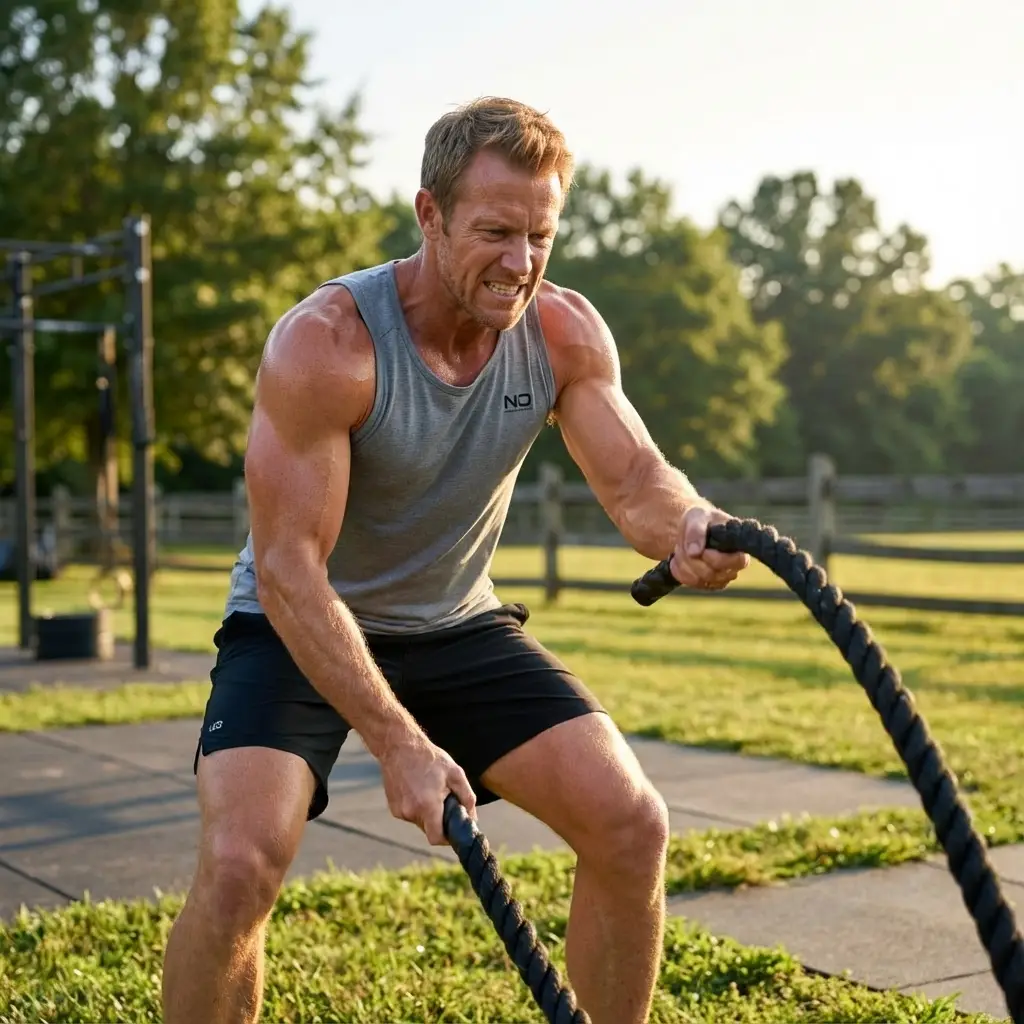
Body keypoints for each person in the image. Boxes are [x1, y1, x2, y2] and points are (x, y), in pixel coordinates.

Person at [161, 95, 750, 1024]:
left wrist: (688, 525)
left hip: (453, 621)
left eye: (540, 236)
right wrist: (399, 744)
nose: (520, 264)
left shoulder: (562, 333)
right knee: (240, 865)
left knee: (632, 825)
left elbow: (638, 481)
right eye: (495, 232)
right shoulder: (329, 344)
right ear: (429, 215)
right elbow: (289, 570)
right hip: (302, 622)